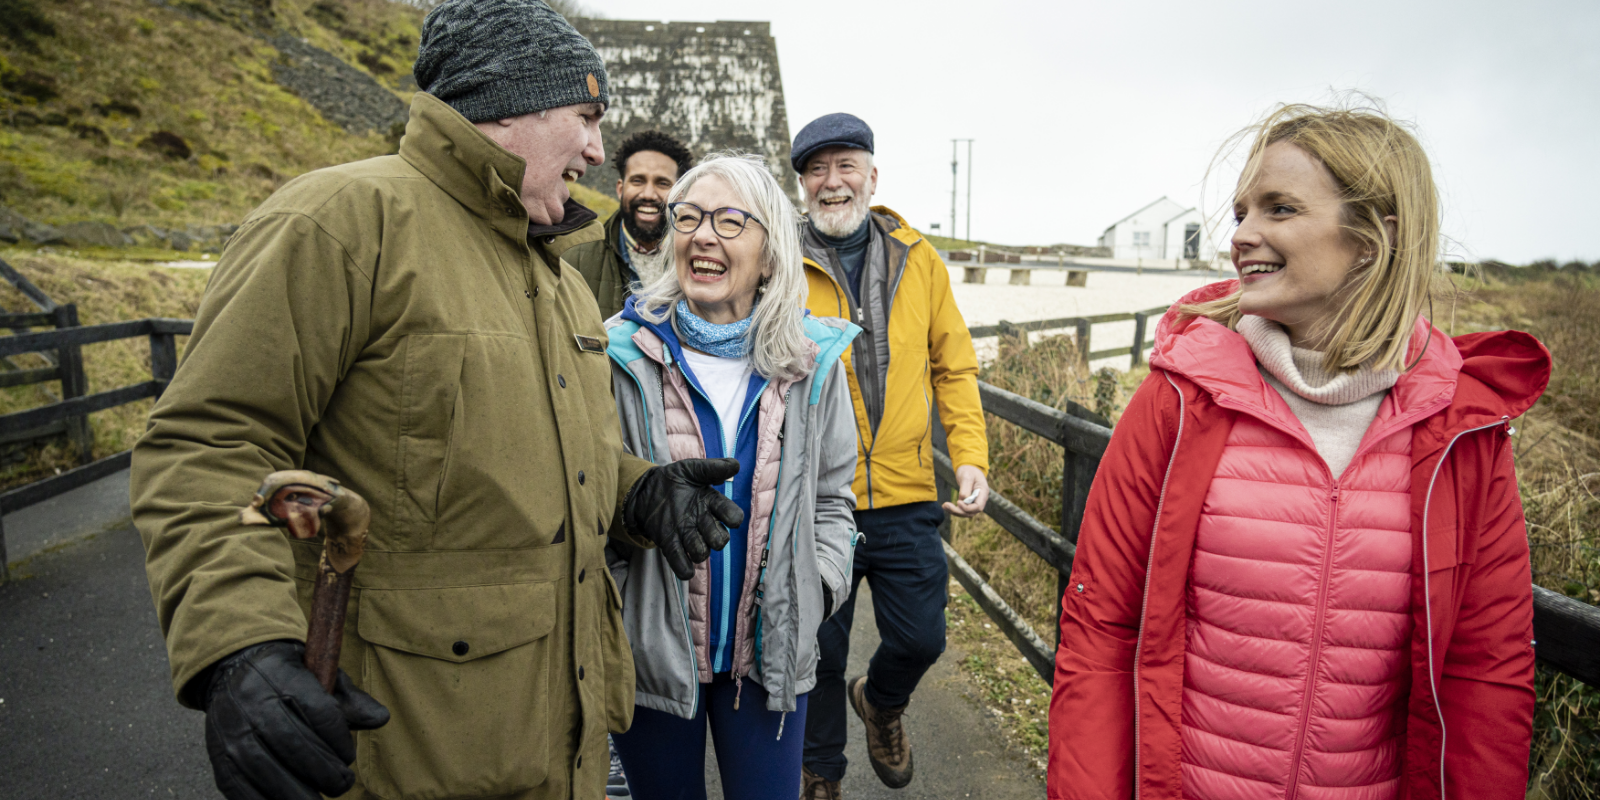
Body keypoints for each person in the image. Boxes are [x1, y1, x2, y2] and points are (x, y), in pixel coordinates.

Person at [130, 2, 746, 799]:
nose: (597, 151)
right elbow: (209, 443)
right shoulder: (342, 222)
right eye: (586, 117)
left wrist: (638, 492)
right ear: (510, 105)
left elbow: (515, 458)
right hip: (404, 753)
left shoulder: (557, 279)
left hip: (556, 747)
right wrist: (239, 645)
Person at [1047, 103, 1547, 800]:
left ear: (1374, 238)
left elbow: (1485, 669)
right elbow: (1103, 628)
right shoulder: (1180, 399)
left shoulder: (1464, 431)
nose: (1242, 236)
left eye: (1279, 209)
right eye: (1241, 213)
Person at [602, 152, 861, 799]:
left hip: (771, 659)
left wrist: (816, 593)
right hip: (651, 656)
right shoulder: (618, 353)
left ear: (770, 254)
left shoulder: (813, 363)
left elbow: (833, 501)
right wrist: (615, 598)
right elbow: (585, 493)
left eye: (729, 220)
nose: (703, 235)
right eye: (688, 217)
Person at [794, 113, 991, 799]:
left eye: (845, 165)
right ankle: (820, 772)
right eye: (817, 169)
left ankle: (881, 701)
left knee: (921, 637)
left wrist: (970, 457)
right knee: (817, 652)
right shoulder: (780, 261)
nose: (832, 181)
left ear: (872, 177)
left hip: (908, 492)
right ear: (803, 185)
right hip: (819, 498)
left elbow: (953, 367)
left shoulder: (920, 258)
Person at [564, 130, 697, 320]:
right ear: (620, 188)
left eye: (662, 183)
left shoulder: (700, 260)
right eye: (637, 181)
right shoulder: (573, 261)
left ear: (680, 196)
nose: (648, 194)